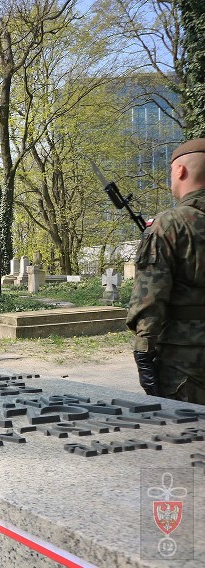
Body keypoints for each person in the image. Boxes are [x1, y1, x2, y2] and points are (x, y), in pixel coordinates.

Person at [127, 137, 205, 405]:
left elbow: (150, 294)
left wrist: (144, 351)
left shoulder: (170, 224)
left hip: (185, 361)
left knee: (186, 440)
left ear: (180, 171)